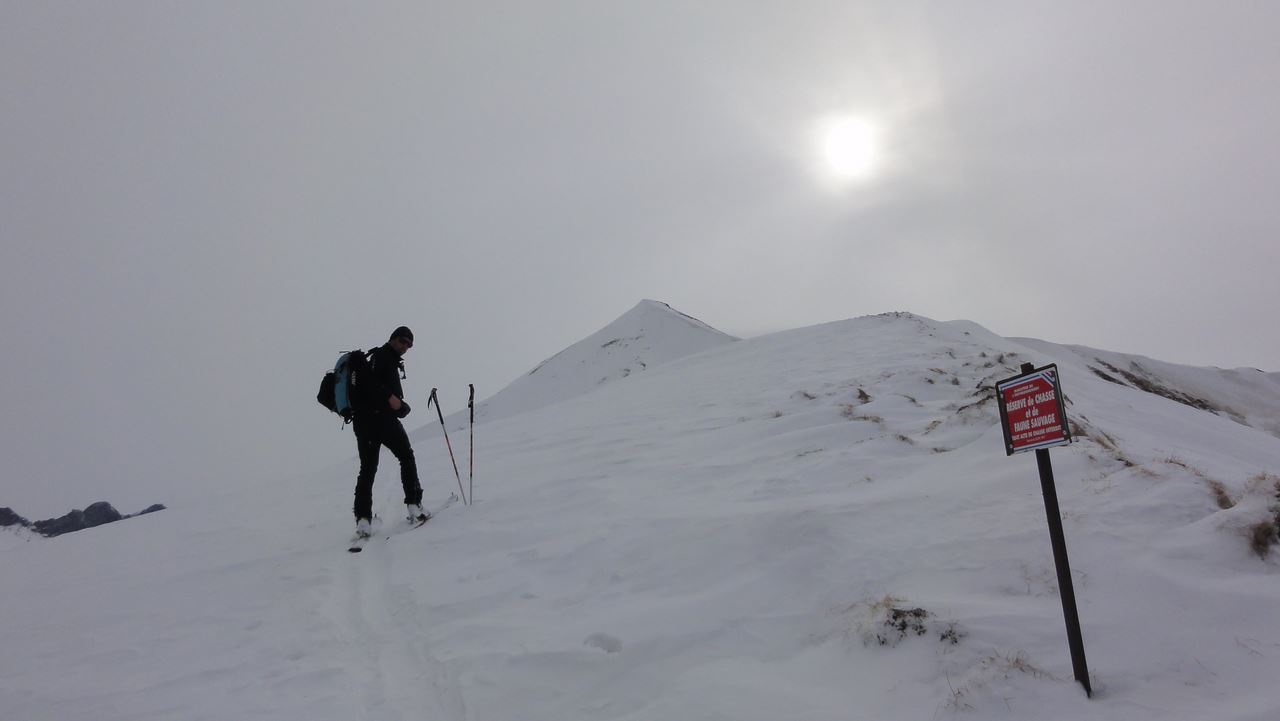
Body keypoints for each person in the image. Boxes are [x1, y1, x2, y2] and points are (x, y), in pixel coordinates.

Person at [352, 326, 427, 540]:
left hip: (363, 422)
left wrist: (400, 406)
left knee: (367, 469)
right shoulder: (383, 356)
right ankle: (414, 505)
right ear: (393, 339)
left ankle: (363, 520)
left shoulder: (380, 358)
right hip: (381, 420)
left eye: (409, 345)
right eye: (403, 341)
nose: (405, 347)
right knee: (406, 456)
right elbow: (373, 386)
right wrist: (395, 403)